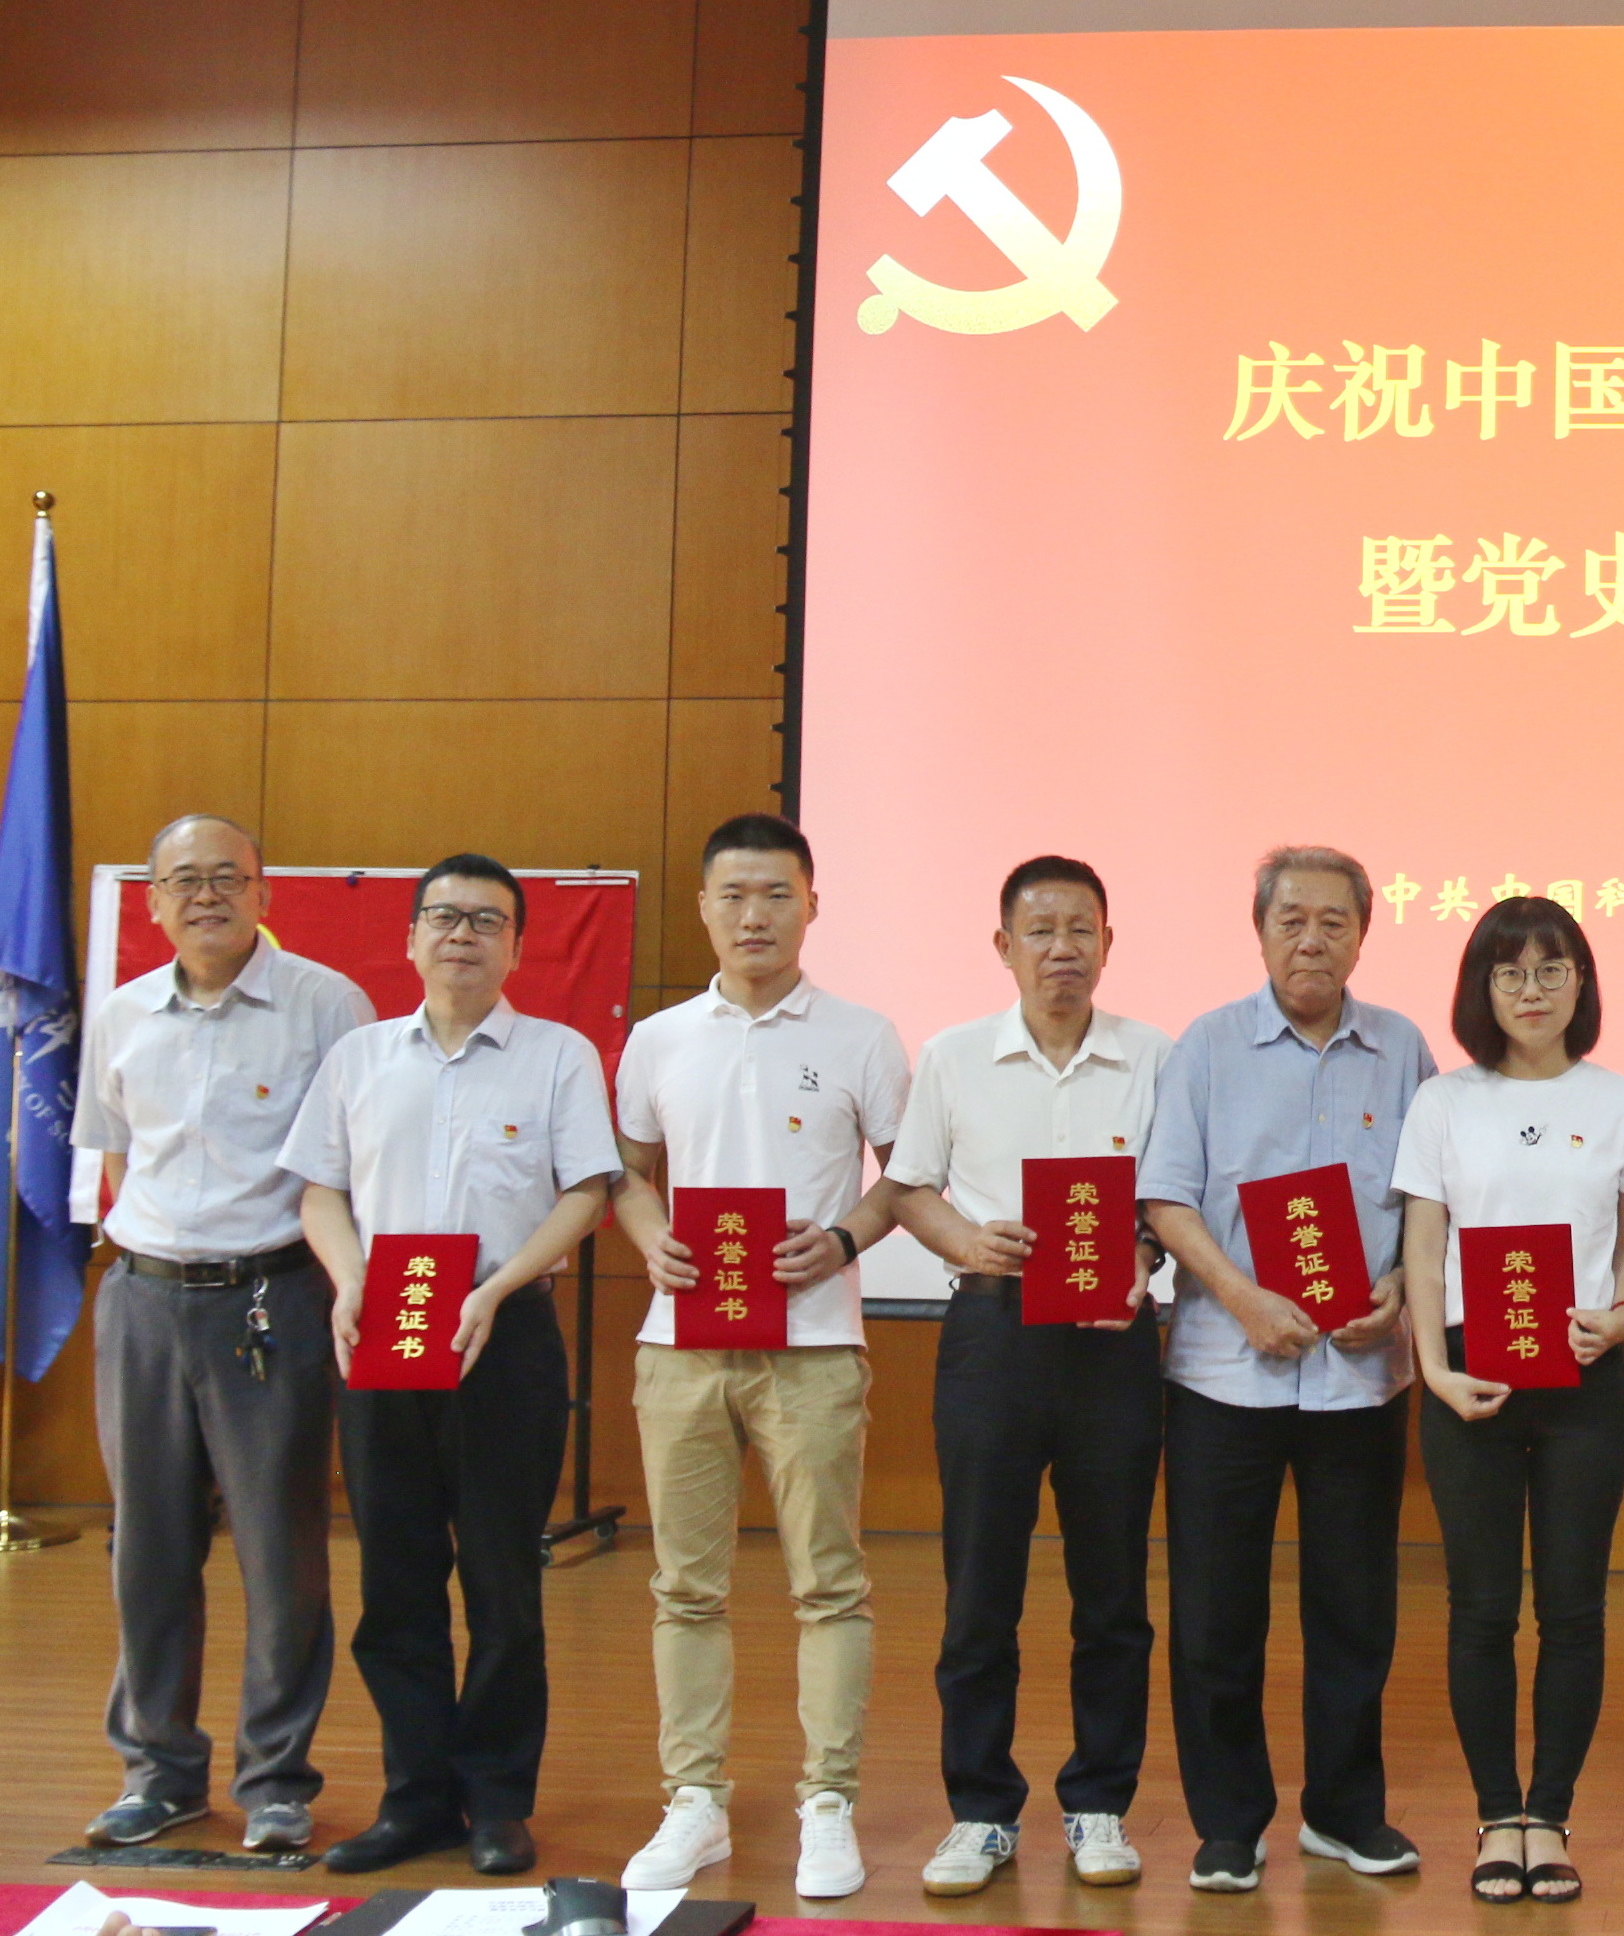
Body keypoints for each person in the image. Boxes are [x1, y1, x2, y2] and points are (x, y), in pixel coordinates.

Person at [285, 855, 619, 1877]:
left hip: (501, 1332)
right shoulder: (359, 1058)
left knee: (502, 1581)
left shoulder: (557, 1056)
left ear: (517, 945)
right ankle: (414, 1797)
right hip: (383, 1327)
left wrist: (498, 1285)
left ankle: (497, 1800)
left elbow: (587, 1191)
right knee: (395, 1579)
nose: (461, 934)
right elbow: (319, 1190)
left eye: (485, 919)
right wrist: (348, 1280)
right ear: (410, 938)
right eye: (442, 916)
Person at [611, 814, 911, 1901]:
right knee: (685, 1586)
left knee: (828, 1585)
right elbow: (627, 1171)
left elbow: (905, 1175)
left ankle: (827, 1801)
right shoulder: (659, 1038)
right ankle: (693, 1800)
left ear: (812, 904)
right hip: (681, 1349)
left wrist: (842, 1239)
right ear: (704, 907)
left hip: (815, 1346)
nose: (754, 915)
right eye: (734, 895)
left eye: (777, 894)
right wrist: (652, 1238)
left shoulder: (864, 1035)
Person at [74, 816, 372, 1855]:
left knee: (282, 1553)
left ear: (262, 892)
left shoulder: (326, 1005)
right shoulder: (121, 1014)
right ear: (154, 901)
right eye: (183, 881)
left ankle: (276, 1779)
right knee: (147, 1548)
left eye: (226, 878)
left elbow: (354, 1161)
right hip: (144, 1301)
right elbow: (119, 1159)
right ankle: (159, 1772)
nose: (206, 896)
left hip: (271, 1300)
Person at [1139, 846, 1432, 1892]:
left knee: (1354, 1606)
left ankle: (1344, 1812)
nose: (1312, 940)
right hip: (1226, 1374)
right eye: (1291, 920)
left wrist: (1398, 1289)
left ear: (1364, 934)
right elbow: (1165, 1196)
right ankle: (1229, 1821)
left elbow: (1429, 1201)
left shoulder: (1402, 1048)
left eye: (1332, 922)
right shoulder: (1207, 1046)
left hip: (1359, 1377)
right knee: (1218, 1609)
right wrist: (1241, 1297)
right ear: (1259, 930)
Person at [879, 856, 1174, 1896]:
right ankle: (980, 1810)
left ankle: (1100, 1803)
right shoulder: (954, 1056)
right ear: (1003, 946)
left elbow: (1173, 1197)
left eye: (1080, 929)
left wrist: (1142, 1256)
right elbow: (908, 1188)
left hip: (1112, 1338)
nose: (1062, 949)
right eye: (1040, 931)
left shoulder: (1156, 1057)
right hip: (992, 1334)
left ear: (1108, 943)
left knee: (1113, 1591)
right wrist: (966, 1239)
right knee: (979, 1589)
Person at [1394, 896, 1624, 1906]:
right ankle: (1494, 1815)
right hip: (1471, 1377)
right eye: (1510, 972)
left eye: (1553, 969)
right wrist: (1432, 1369)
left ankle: (1549, 1816)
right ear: (1483, 988)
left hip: (1585, 1375)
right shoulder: (1444, 1102)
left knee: (1573, 1607)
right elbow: (1425, 1247)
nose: (1532, 990)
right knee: (1480, 1607)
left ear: (1581, 982)